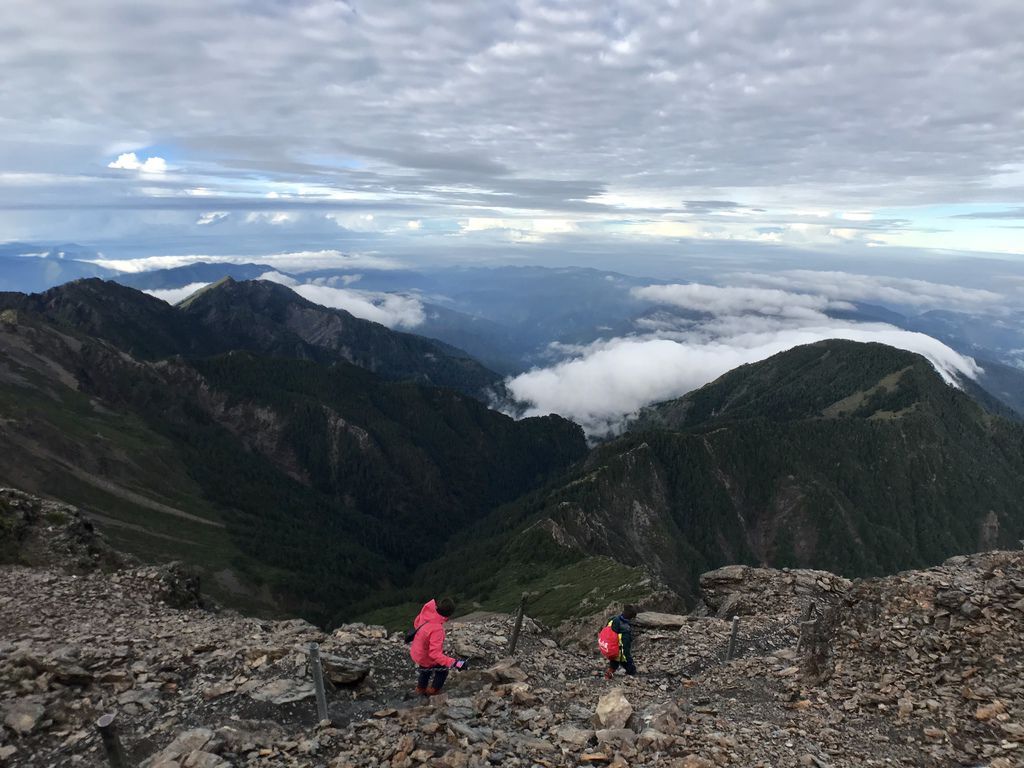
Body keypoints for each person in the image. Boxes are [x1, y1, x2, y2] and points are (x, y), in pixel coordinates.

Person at [409, 597, 466, 695]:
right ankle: (432, 692)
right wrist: (457, 663)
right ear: (449, 614)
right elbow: (434, 654)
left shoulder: (427, 613)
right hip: (425, 655)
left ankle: (420, 689)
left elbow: (416, 623)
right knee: (442, 671)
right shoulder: (437, 629)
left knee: (425, 670)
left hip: (417, 650)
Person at [604, 604, 638, 678]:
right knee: (630, 667)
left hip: (620, 650)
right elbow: (613, 637)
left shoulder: (621, 621)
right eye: (631, 616)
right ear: (628, 614)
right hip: (621, 650)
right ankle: (631, 678)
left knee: (614, 664)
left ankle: (608, 676)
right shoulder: (617, 622)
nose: (632, 619)